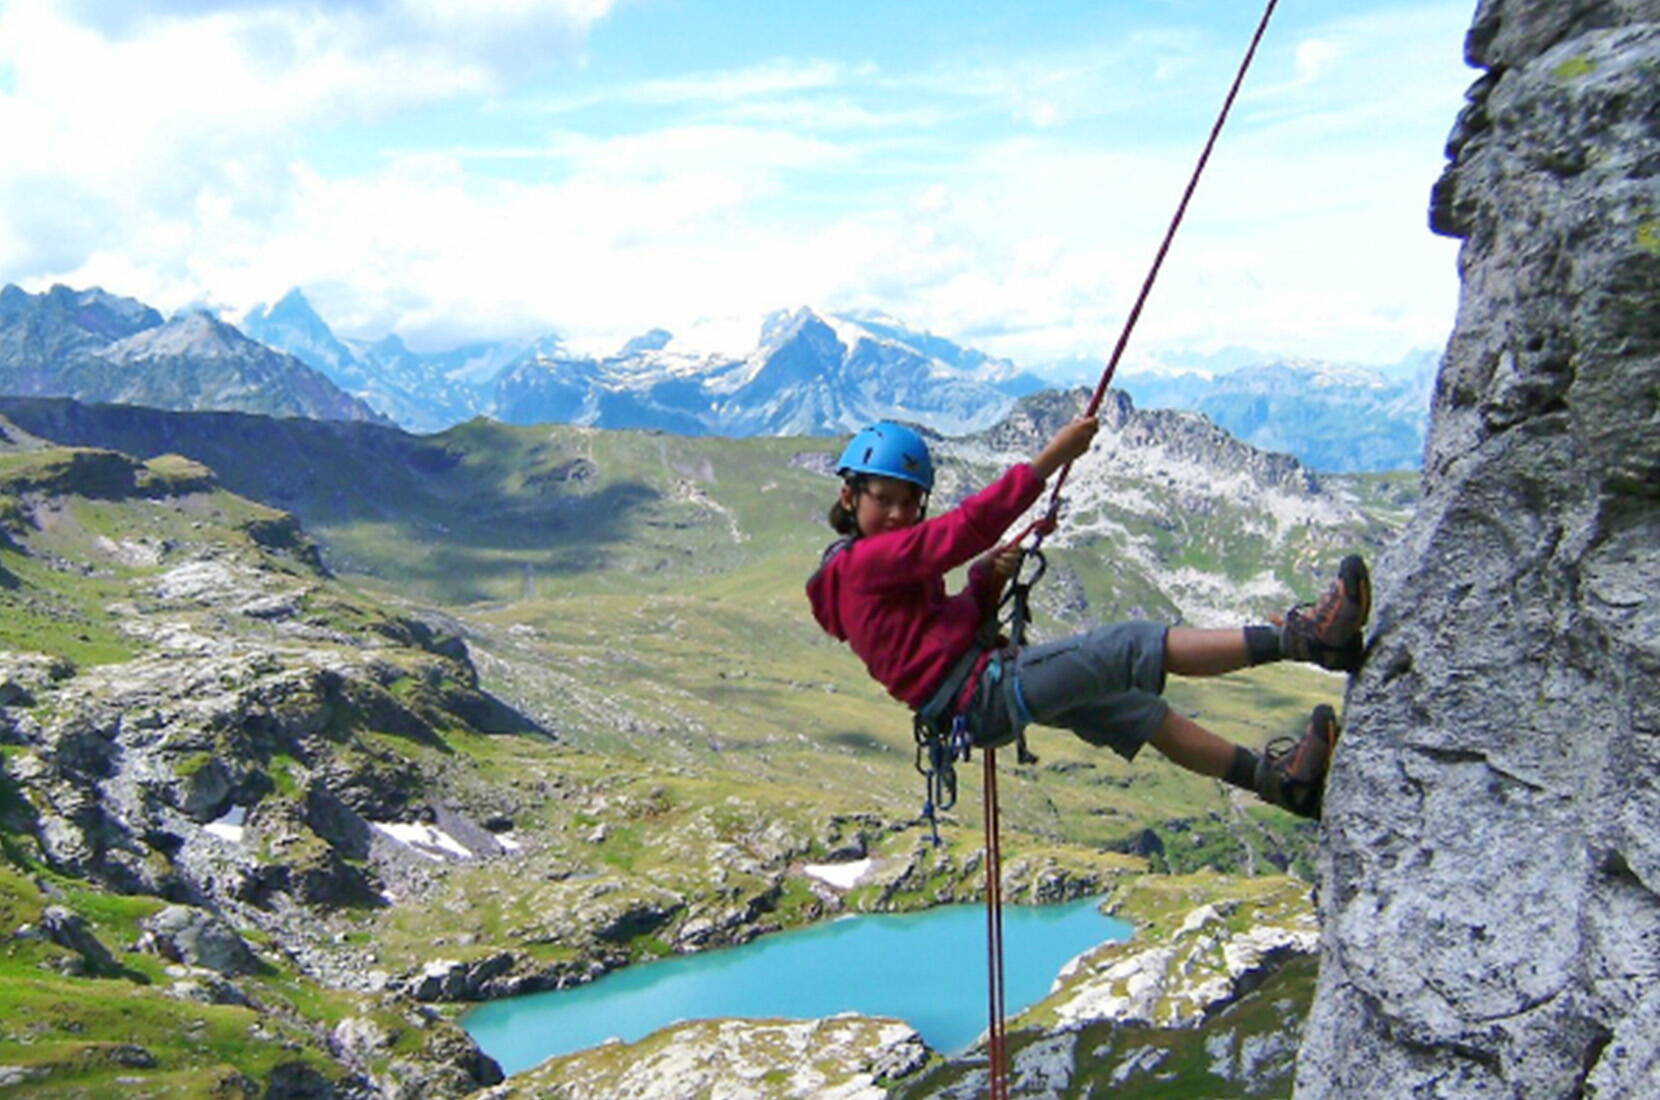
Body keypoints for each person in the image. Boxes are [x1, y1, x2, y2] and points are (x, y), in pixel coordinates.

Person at [804, 417, 1369, 819]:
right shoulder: (862, 566)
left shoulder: (872, 566)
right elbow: (962, 530)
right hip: (983, 694)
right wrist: (1051, 458)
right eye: (885, 499)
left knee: (1141, 714)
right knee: (1129, 646)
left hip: (975, 697)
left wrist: (985, 581)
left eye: (911, 501)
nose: (901, 514)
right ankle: (1308, 641)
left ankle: (1280, 785)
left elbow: (936, 633)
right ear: (851, 497)